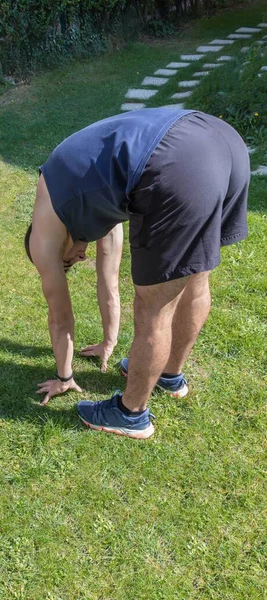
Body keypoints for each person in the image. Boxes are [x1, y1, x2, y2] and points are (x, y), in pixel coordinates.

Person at [25, 108, 249, 439]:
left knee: (153, 305)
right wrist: (108, 342)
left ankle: (131, 414)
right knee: (195, 277)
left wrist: (63, 377)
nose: (75, 261)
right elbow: (108, 281)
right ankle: (168, 376)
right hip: (221, 140)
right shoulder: (91, 195)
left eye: (67, 263)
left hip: (174, 162)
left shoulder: (43, 238)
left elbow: (60, 318)